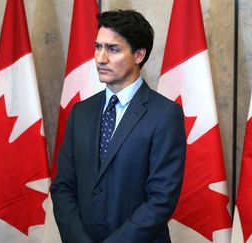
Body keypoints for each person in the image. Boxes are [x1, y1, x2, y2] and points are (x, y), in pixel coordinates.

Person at [51, 9, 186, 243]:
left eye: (113, 49)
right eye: (98, 47)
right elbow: (63, 187)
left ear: (138, 55)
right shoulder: (80, 112)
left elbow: (161, 199)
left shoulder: (165, 115)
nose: (101, 58)